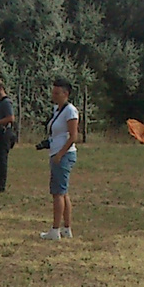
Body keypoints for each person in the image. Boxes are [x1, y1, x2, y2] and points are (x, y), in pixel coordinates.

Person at [40, 77, 79, 241]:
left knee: (57, 193)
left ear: (66, 93)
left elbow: (73, 136)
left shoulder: (70, 111)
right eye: (53, 92)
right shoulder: (58, 110)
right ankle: (66, 228)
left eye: (57, 93)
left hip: (63, 155)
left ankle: (55, 230)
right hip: (56, 152)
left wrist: (60, 154)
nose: (53, 95)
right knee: (63, 192)